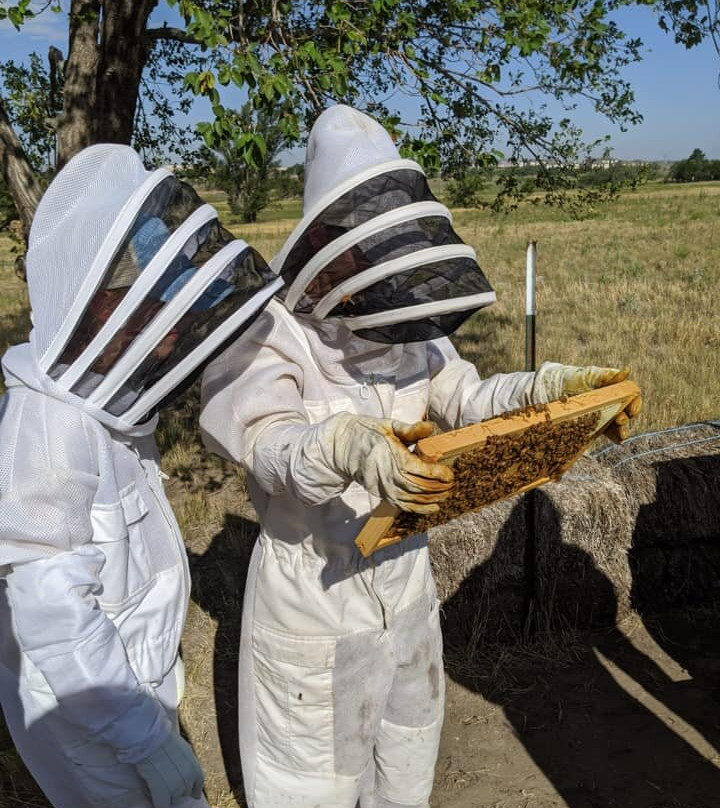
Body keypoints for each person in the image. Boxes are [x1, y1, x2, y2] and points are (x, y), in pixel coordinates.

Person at [199, 105, 642, 808]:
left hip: (405, 583)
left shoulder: (411, 329)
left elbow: (468, 400)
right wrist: (340, 444)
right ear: (328, 243)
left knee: (405, 770)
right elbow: (266, 447)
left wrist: (550, 390)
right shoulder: (270, 337)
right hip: (314, 598)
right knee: (310, 789)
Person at [0, 144, 282, 808]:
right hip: (86, 714)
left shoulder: (107, 409)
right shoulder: (46, 430)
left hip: (127, 684)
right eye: (151, 313)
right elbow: (53, 617)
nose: (169, 339)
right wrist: (144, 741)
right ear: (102, 310)